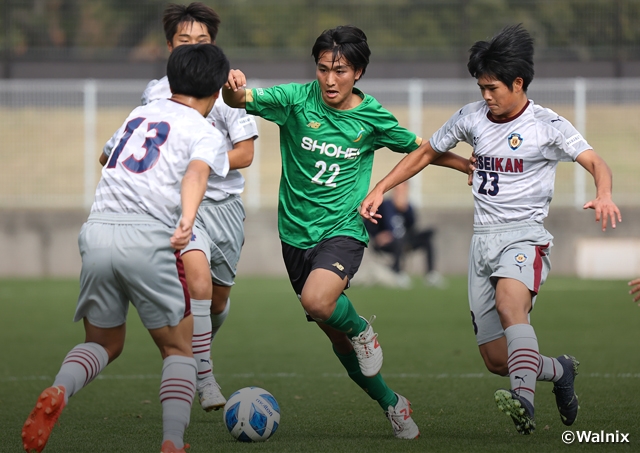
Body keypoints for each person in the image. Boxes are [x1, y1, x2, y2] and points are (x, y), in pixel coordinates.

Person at [360, 24, 622, 435]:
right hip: (482, 241)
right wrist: (381, 188)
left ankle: (524, 403)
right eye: (481, 86)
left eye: (492, 88)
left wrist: (603, 193)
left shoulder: (546, 125)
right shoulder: (471, 117)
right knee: (496, 359)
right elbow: (427, 151)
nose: (485, 96)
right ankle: (559, 371)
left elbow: (595, 161)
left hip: (525, 235)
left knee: (509, 304)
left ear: (518, 84)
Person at [223, 25, 471, 439]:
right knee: (336, 340)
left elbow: (419, 147)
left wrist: (465, 164)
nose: (329, 79)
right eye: (323, 69)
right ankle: (393, 403)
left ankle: (363, 330)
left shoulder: (370, 117)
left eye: (340, 70)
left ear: (357, 72)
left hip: (343, 231)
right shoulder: (294, 100)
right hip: (295, 237)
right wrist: (234, 89)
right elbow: (241, 100)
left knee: (319, 302)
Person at [22, 44, 231, 453]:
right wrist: (187, 218)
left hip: (98, 230)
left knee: (104, 342)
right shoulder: (205, 131)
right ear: (218, 90)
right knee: (177, 347)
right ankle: (172, 442)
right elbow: (196, 174)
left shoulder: (140, 114)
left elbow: (106, 157)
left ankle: (59, 389)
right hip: (148, 238)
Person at [103, 2, 258, 413]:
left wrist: (203, 158)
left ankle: (195, 351)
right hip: (181, 206)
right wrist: (190, 168)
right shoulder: (156, 92)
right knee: (198, 285)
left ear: (215, 44)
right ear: (169, 45)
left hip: (225, 207)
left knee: (218, 299)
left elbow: (245, 153)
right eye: (183, 40)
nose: (191, 46)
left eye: (201, 40)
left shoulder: (230, 88)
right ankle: (202, 377)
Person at [365, 181, 446, 288]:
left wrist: (405, 210)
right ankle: (397, 273)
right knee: (398, 240)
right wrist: (377, 236)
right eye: (399, 190)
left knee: (427, 238)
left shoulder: (408, 208)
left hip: (405, 240)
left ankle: (431, 275)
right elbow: (369, 222)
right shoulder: (385, 205)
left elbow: (412, 227)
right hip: (388, 243)